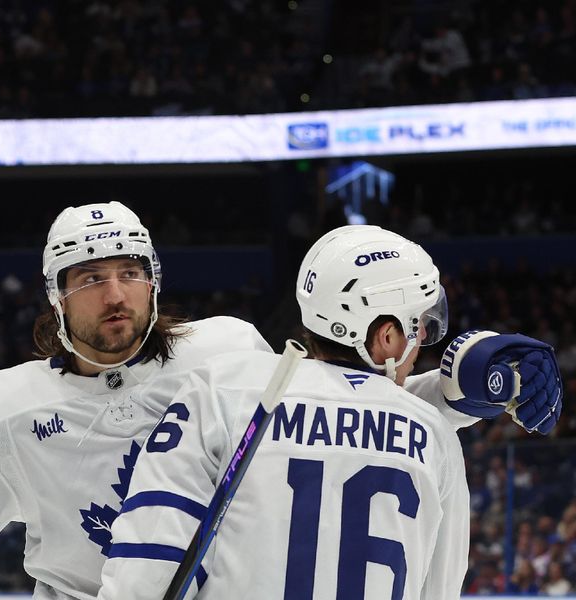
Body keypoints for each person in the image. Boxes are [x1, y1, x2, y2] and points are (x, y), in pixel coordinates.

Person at [0, 212, 561, 600]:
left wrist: (465, 386)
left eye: (130, 272)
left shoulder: (227, 351)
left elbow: (336, 413)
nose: (113, 292)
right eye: (88, 276)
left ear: (155, 283)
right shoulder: (7, 405)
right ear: (55, 294)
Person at [98, 225, 562, 599]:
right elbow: (438, 590)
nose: (421, 344)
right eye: (419, 327)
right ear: (385, 336)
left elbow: (148, 565)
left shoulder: (224, 388)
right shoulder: (434, 435)